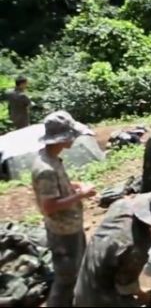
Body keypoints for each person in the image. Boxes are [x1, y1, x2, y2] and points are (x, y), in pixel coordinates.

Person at [73, 186, 151, 307]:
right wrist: (145, 296)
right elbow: (125, 286)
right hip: (100, 299)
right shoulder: (136, 247)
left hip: (84, 281)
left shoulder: (121, 205)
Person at [31, 111, 96, 307]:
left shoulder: (50, 158)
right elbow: (49, 206)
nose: (74, 139)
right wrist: (82, 195)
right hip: (63, 231)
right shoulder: (46, 169)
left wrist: (73, 186)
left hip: (70, 225)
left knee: (76, 268)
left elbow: (55, 190)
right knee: (65, 279)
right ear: (63, 137)